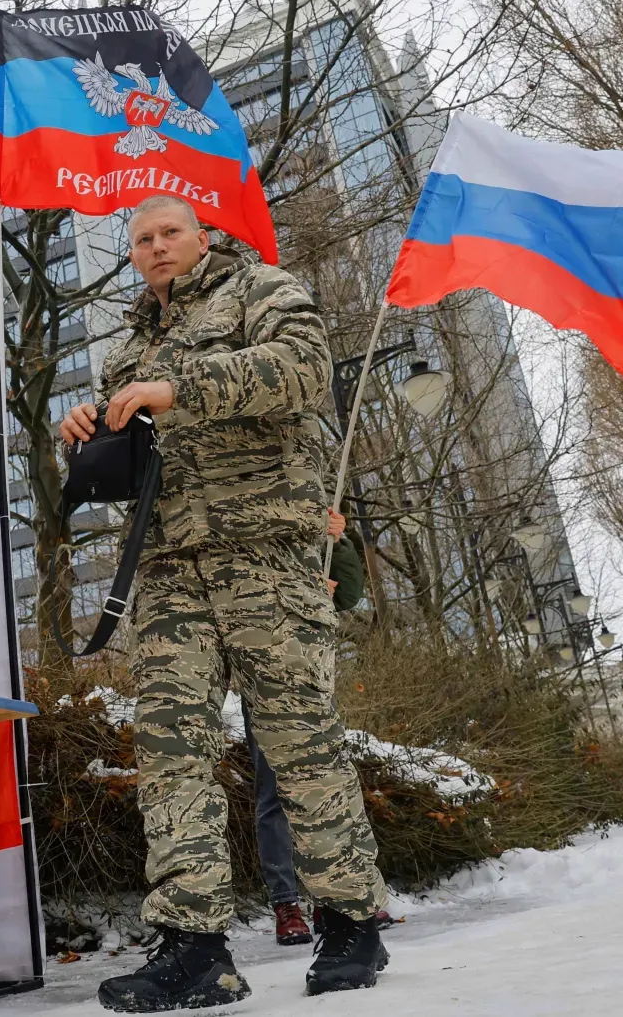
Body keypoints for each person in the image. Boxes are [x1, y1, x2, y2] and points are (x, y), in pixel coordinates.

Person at [61, 196, 389, 1008]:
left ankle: (349, 919)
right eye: (141, 239)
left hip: (265, 555)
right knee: (171, 752)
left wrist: (177, 386)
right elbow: (127, 443)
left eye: (170, 232)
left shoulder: (263, 291)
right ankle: (194, 945)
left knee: (299, 741)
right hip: (169, 567)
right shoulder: (131, 342)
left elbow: (305, 372)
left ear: (201, 236)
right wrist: (86, 427)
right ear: (132, 254)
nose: (157, 247)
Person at [244, 509, 370, 947]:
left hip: (310, 677)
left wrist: (342, 540)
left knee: (327, 787)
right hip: (260, 674)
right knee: (274, 793)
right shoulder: (249, 522)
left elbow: (348, 595)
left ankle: (333, 898)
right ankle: (286, 903)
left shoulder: (312, 525)